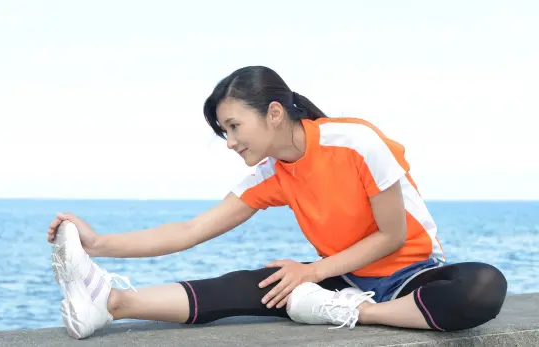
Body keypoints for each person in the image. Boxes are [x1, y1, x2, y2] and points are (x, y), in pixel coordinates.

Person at [47, 66, 507, 340]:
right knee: (247, 286)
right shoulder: (271, 173)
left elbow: (392, 236)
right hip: (341, 279)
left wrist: (315, 276)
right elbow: (191, 230)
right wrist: (97, 243)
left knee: (483, 286)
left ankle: (353, 312)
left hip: (412, 275)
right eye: (223, 132)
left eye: (234, 127)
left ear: (273, 112)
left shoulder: (356, 142)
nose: (229, 142)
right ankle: (111, 302)